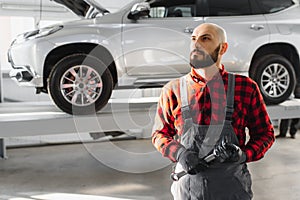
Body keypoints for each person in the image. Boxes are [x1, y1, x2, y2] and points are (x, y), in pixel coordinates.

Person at [151, 23, 275, 200]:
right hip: (187, 190)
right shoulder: (173, 90)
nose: (196, 44)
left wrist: (243, 155)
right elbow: (159, 134)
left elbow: (265, 134)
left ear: (223, 48)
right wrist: (180, 154)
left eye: (205, 38)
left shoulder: (245, 88)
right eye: (193, 39)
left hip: (231, 190)